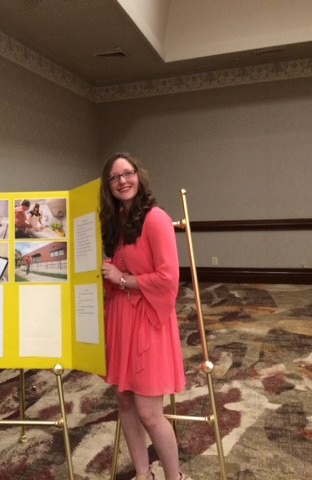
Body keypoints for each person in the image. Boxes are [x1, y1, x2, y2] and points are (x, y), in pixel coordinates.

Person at [99, 153, 189, 480]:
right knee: (124, 405)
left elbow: (168, 280)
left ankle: (173, 478)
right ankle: (143, 474)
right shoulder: (115, 222)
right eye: (114, 177)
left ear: (139, 176)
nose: (123, 180)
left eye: (128, 173)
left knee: (150, 413)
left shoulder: (156, 218)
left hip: (149, 320)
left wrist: (122, 279)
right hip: (120, 321)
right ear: (107, 186)